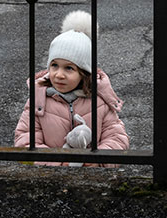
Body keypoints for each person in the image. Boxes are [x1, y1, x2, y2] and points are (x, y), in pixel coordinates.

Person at [13, 10, 129, 165]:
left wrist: (97, 161)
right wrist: (59, 164)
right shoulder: (39, 100)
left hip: (93, 176)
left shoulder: (99, 100)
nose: (59, 75)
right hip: (50, 177)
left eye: (69, 68)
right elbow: (25, 140)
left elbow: (116, 138)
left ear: (84, 73)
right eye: (54, 65)